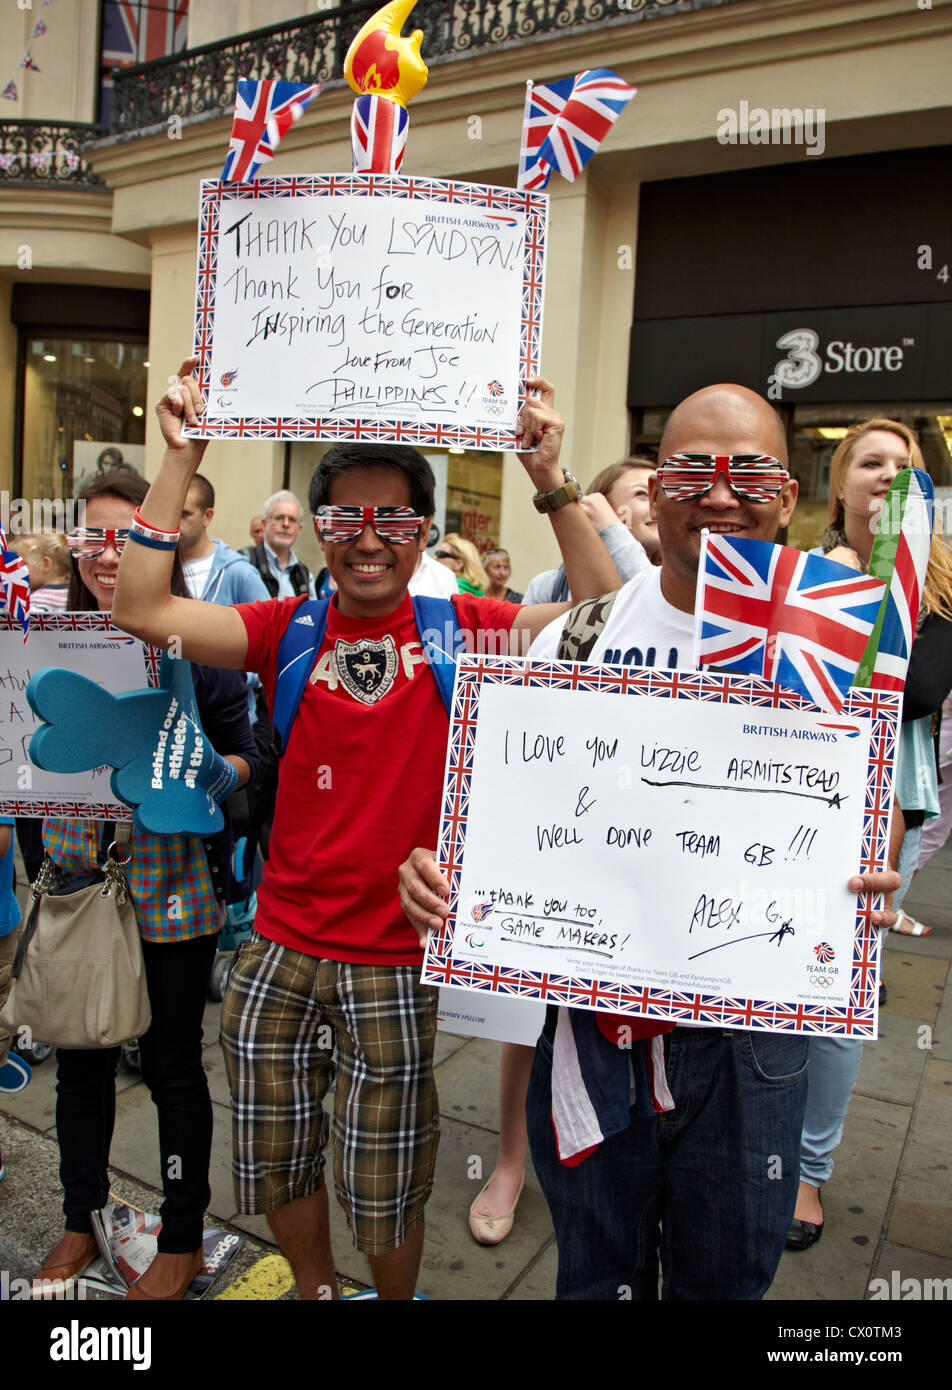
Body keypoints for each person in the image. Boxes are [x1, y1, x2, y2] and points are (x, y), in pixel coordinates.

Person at [110, 359, 621, 1301]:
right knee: (276, 1154)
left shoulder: (468, 628)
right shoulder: (287, 627)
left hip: (396, 959)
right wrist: (181, 457)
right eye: (348, 518)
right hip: (275, 949)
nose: (370, 538)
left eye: (393, 518)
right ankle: (313, 1290)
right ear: (321, 531)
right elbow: (140, 608)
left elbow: (601, 621)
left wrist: (550, 478)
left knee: (385, 1183)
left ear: (423, 532)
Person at [399, 383, 902, 1300]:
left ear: (788, 495)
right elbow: (510, 810)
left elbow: (873, 813)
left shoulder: (838, 641)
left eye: (748, 470)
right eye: (690, 471)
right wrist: (445, 869)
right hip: (592, 1031)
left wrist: (875, 867)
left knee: (725, 1278)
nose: (719, 493)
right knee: (596, 1277)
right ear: (654, 491)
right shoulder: (584, 636)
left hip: (751, 1036)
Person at [31, 470, 257, 1301]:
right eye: (92, 535)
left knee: (171, 1063)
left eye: (126, 535)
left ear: (156, 541)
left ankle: (184, 1234)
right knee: (79, 1053)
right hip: (78, 882)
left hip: (173, 885)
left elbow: (251, 753)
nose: (105, 553)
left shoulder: (195, 637)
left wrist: (206, 774)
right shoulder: (39, 637)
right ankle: (77, 1216)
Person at [787, 418, 952, 1251]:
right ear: (840, 480)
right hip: (790, 797)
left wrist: (885, 590)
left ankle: (809, 1172)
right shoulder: (804, 574)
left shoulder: (938, 588)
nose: (889, 475)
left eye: (906, 465)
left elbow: (915, 691)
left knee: (842, 987)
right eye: (871, 461)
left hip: (883, 809)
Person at [522, 457, 657, 604]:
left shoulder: (680, 584)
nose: (658, 506)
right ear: (602, 506)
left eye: (660, 496)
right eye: (641, 493)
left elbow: (654, 608)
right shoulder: (547, 587)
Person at [178, 474, 271, 607]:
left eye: (184, 514)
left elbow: (268, 624)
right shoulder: (158, 566)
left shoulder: (240, 573)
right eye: (169, 512)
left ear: (207, 516)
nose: (173, 520)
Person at [247, 491, 316, 599]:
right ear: (264, 525)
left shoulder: (304, 575)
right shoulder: (246, 562)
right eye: (279, 518)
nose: (286, 524)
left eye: (292, 520)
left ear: (299, 529)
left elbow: (312, 614)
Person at [19, 531, 71, 612]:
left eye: (24, 563)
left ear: (46, 564)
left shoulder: (37, 600)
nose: (19, 569)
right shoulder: (74, 595)